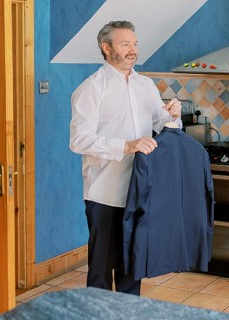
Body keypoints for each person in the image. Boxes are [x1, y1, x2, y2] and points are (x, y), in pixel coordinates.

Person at [70, 20, 182, 295]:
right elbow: (79, 140)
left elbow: (161, 125)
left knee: (133, 263)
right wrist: (127, 146)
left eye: (135, 43)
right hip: (105, 193)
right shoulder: (91, 89)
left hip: (140, 188)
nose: (133, 50)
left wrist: (174, 115)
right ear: (106, 48)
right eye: (125, 44)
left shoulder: (146, 85)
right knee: (101, 267)